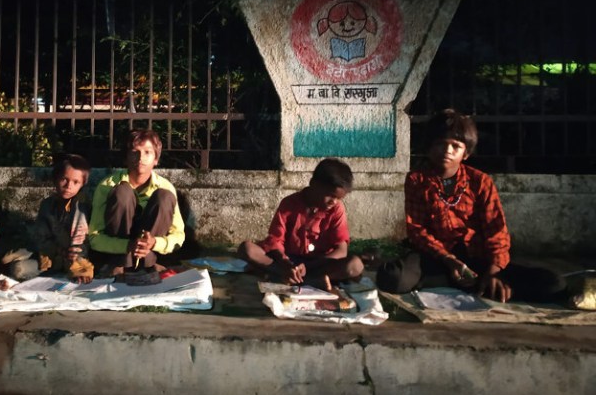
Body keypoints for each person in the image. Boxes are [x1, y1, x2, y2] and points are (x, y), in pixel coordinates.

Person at [376, 108, 567, 303]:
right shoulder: (417, 180)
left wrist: (493, 272)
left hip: (477, 257)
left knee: (553, 282)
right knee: (392, 278)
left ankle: (483, 283)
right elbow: (417, 231)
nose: (447, 151)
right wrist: (449, 260)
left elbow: (497, 231)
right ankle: (463, 282)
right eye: (440, 144)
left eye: (455, 146)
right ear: (429, 147)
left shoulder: (480, 182)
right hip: (437, 257)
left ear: (466, 153)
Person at [238, 158, 364, 288]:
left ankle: (292, 278)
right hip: (288, 261)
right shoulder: (289, 204)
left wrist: (308, 266)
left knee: (355, 265)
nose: (334, 202)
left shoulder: (337, 209)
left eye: (339, 198)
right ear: (313, 184)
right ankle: (296, 277)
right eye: (331, 195)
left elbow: (341, 250)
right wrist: (285, 263)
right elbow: (275, 240)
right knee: (247, 249)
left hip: (319, 264)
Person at [88, 129, 185, 275]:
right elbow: (95, 237)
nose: (140, 158)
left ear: (156, 159)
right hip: (120, 252)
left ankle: (148, 264)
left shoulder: (166, 186)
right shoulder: (106, 186)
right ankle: (122, 263)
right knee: (123, 192)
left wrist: (154, 243)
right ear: (125, 157)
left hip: (150, 253)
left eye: (147, 152)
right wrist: (127, 246)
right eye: (134, 151)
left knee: (164, 196)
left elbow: (178, 235)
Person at [3, 154, 94, 283]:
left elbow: (80, 239)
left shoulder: (82, 205)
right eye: (64, 179)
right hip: (51, 257)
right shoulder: (47, 204)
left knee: (78, 274)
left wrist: (78, 266)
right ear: (55, 179)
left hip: (77, 258)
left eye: (76, 182)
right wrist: (55, 251)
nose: (69, 186)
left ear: (83, 184)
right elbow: (41, 237)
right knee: (17, 269)